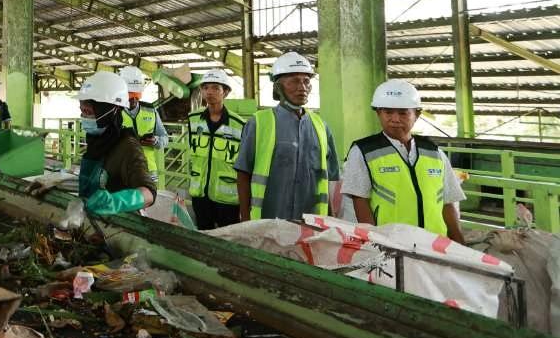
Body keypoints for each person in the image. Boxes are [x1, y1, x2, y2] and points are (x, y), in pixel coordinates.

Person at [342, 80, 466, 243]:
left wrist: (458, 241)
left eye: (403, 113)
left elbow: (448, 202)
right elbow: (360, 201)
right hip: (392, 245)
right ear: (378, 113)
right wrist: (374, 243)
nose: (395, 119)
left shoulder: (434, 152)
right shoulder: (364, 151)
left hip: (435, 244)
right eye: (388, 112)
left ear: (417, 114)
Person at [234, 52, 339, 222]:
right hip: (268, 220)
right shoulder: (259, 123)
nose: (302, 87)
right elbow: (243, 174)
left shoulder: (320, 126)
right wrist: (245, 219)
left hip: (310, 222)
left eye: (306, 81)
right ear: (277, 87)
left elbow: (326, 179)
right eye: (294, 81)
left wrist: (330, 218)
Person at [77, 71, 156, 216]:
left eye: (88, 111)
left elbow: (149, 193)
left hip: (122, 224)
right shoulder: (97, 142)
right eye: (82, 111)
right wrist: (53, 183)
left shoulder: (127, 146)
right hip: (96, 221)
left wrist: (116, 201)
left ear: (109, 110)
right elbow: (93, 180)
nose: (84, 117)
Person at [187, 69, 246, 229]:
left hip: (227, 198)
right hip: (200, 194)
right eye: (205, 88)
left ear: (225, 92)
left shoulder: (239, 124)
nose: (209, 92)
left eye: (215, 88)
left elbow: (245, 163)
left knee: (228, 239)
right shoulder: (193, 119)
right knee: (203, 235)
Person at [117, 66, 168, 186]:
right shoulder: (115, 112)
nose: (134, 99)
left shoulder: (151, 110)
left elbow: (164, 138)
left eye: (137, 95)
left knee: (147, 203)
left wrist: (155, 141)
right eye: (130, 95)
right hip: (123, 171)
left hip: (148, 171)